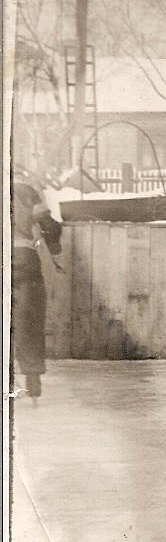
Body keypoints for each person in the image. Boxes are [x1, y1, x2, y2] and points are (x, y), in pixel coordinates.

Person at [11, 167, 63, 400]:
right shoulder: (27, 186)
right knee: (29, 319)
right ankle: (32, 377)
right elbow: (49, 225)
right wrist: (54, 249)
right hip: (23, 258)